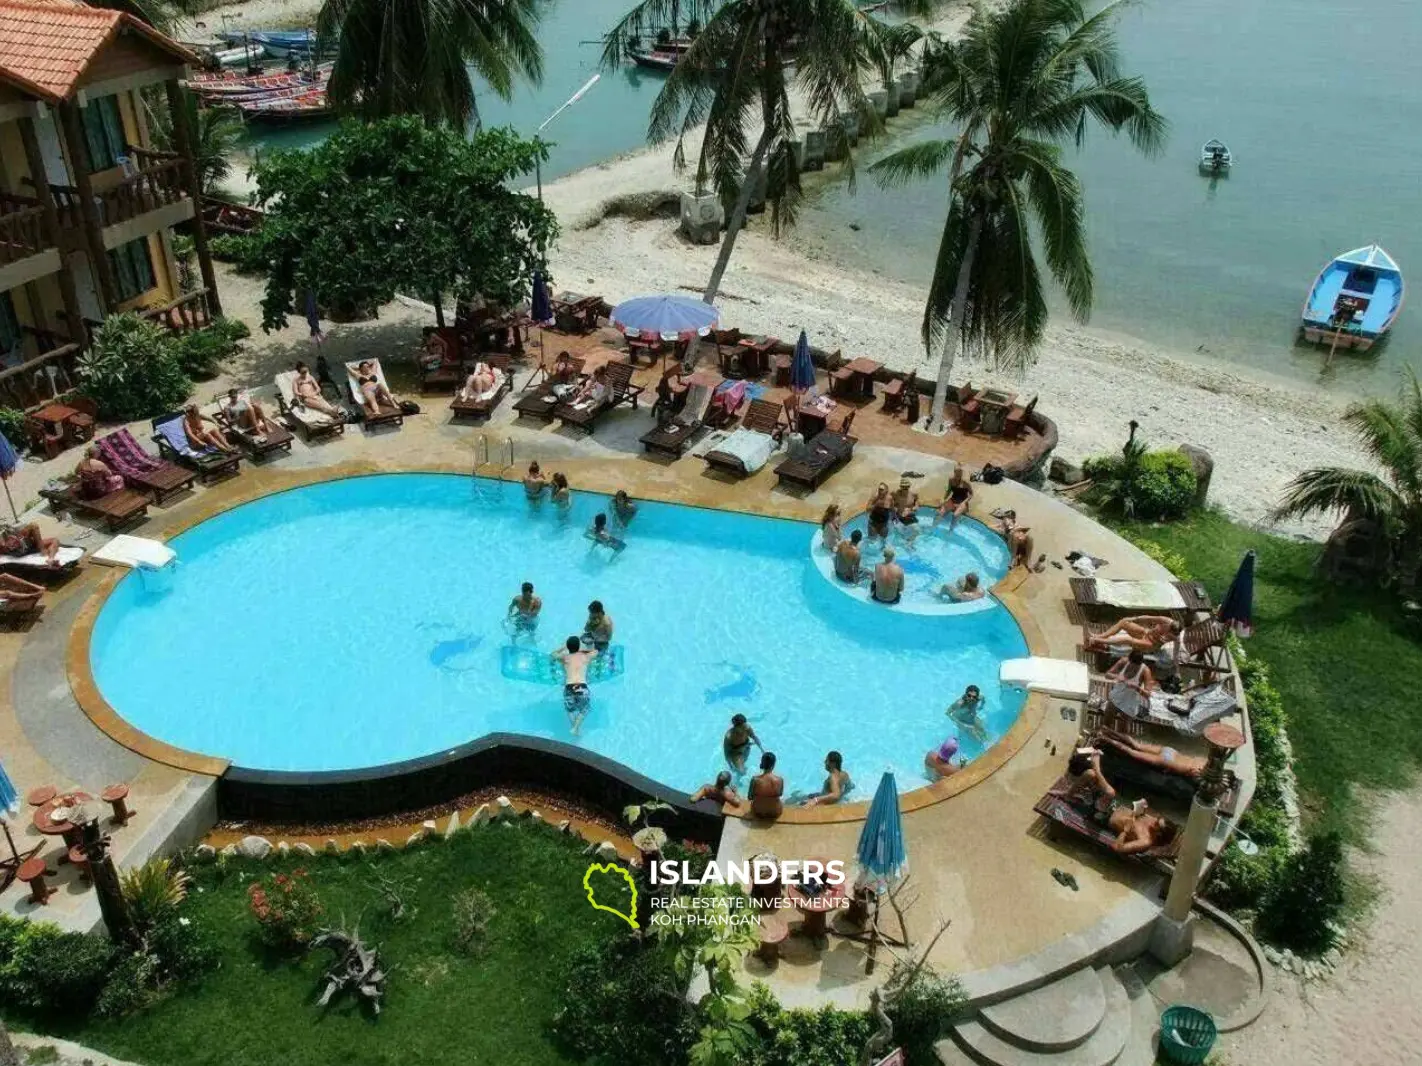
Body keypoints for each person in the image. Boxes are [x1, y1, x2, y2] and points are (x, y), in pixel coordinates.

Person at [1098, 730, 1206, 779]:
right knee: (1132, 752)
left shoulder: (1203, 760)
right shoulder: (1200, 773)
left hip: (1171, 751)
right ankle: (1105, 738)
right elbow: (1190, 773)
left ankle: (1107, 730)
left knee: (1137, 745)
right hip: (1167, 761)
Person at [555, 635, 598, 736]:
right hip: (581, 686)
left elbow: (553, 654)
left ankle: (575, 728)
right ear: (579, 646)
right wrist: (585, 648)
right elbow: (596, 652)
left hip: (569, 687)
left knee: (570, 709)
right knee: (586, 709)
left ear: (568, 647)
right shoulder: (585, 657)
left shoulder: (565, 658)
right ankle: (575, 728)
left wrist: (563, 647)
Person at [1086, 615, 1180, 653]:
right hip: (1146, 633)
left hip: (1150, 644)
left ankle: (1097, 640)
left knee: (1128, 640)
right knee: (1124, 622)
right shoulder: (1166, 621)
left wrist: (1162, 638)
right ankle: (1099, 636)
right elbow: (1148, 617)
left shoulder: (1174, 636)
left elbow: (1164, 642)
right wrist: (1134, 619)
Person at [1106, 806, 1176, 856]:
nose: (1154, 820)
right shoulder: (1152, 820)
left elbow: (1117, 847)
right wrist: (1137, 807)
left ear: (1159, 833)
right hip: (1113, 805)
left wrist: (1125, 831)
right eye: (1158, 819)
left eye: (1157, 824)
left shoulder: (1145, 841)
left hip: (1107, 818)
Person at [748, 751, 784, 820]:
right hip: (775, 812)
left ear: (762, 763)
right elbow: (780, 794)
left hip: (758, 812)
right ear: (774, 765)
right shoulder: (780, 780)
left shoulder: (755, 780)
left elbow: (750, 797)